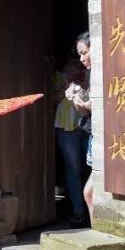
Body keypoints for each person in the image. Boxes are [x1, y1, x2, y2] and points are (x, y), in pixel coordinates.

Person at [54, 54, 90, 224]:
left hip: (87, 126)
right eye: (72, 63)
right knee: (73, 170)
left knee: (93, 168)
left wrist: (83, 84)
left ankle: (94, 209)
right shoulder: (59, 77)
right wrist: (66, 87)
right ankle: (78, 210)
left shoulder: (90, 74)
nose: (76, 65)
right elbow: (51, 100)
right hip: (66, 128)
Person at [71, 33, 94, 222]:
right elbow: (86, 112)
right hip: (94, 135)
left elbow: (101, 105)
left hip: (103, 138)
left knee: (90, 193)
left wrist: (85, 103)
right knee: (90, 193)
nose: (81, 58)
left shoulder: (102, 71)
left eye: (84, 52)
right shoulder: (91, 73)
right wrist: (77, 100)